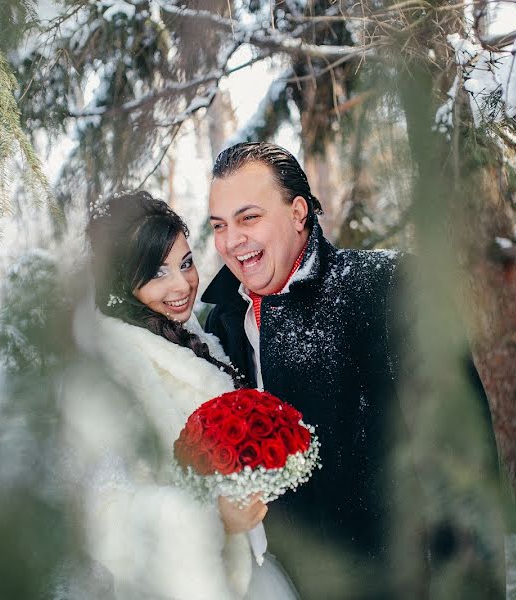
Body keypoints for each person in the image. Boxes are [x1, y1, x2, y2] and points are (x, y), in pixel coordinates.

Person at [202, 142, 405, 598]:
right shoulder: (220, 321)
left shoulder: (384, 289)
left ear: (298, 213)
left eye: (249, 217)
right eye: (220, 225)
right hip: (274, 581)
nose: (232, 240)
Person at [78, 190, 299, 599]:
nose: (183, 284)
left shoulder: (188, 334)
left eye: (185, 263)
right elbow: (106, 518)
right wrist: (215, 519)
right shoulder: (111, 370)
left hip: (239, 568)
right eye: (158, 273)